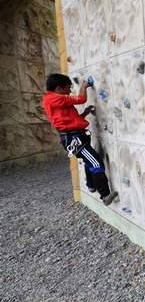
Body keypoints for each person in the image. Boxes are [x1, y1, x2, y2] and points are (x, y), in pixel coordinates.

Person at [43, 74, 118, 206]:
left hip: (77, 137)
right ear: (59, 88)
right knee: (96, 164)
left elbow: (68, 119)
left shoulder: (55, 100)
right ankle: (105, 195)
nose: (70, 91)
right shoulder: (53, 99)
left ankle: (90, 184)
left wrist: (84, 114)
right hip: (74, 139)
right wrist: (84, 86)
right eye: (69, 88)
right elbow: (82, 99)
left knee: (89, 162)